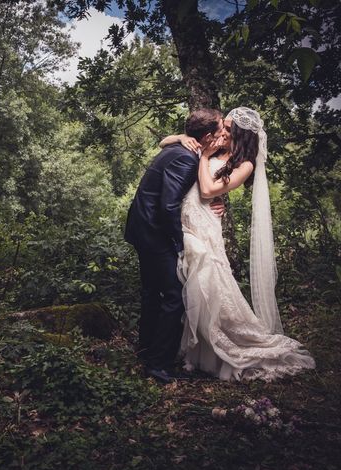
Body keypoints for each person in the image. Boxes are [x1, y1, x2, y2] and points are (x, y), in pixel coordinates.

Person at [160, 106, 315, 381]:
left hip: (205, 226)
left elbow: (208, 190)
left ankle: (222, 344)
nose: (222, 132)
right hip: (185, 220)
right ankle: (190, 347)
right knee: (188, 286)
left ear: (241, 136)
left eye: (228, 129)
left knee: (207, 283)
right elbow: (164, 143)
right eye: (222, 127)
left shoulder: (245, 164)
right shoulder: (214, 149)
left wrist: (205, 157)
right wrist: (179, 137)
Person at [124, 108, 225, 384]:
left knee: (151, 292)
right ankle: (158, 363)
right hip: (155, 234)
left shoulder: (181, 151)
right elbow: (168, 205)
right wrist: (180, 245)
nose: (223, 136)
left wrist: (216, 202)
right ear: (207, 136)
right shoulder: (185, 158)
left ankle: (145, 351)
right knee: (175, 295)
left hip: (142, 228)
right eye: (219, 131)